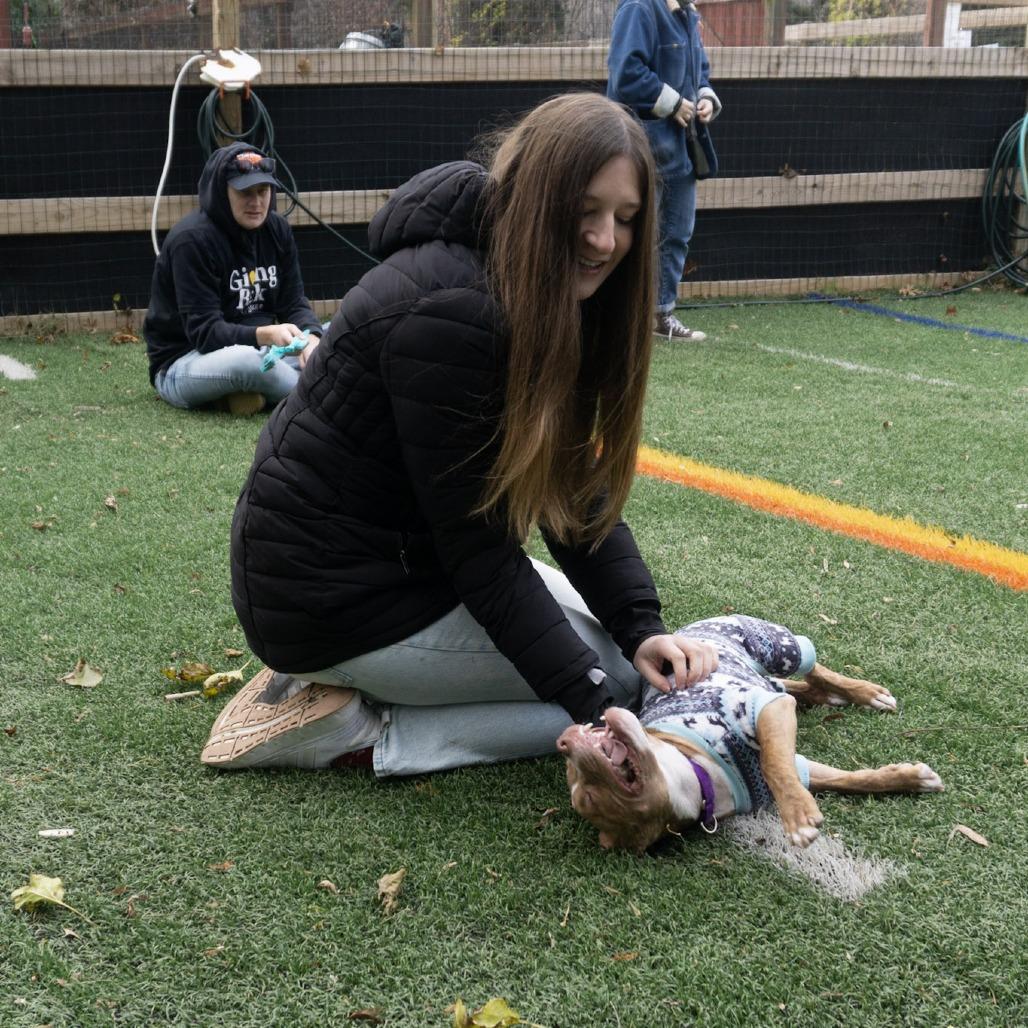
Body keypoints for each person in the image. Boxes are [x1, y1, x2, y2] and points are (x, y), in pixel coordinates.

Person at [201, 93, 718, 777]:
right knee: (618, 686)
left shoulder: (536, 285)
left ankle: (349, 689)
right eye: (585, 211)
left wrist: (640, 624)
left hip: (403, 566)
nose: (604, 240)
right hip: (326, 598)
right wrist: (591, 702)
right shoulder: (457, 313)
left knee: (630, 662)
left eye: (624, 219)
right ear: (537, 195)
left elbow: (567, 484)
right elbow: (478, 549)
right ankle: (362, 734)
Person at [143, 144, 323, 415]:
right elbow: (205, 333)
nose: (257, 202)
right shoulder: (191, 241)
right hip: (185, 361)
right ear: (221, 192)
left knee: (342, 332)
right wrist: (265, 335)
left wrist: (312, 338)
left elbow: (294, 302)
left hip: (265, 354)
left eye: (263, 191)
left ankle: (249, 392)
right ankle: (325, 393)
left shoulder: (278, 230)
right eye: (244, 192)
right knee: (245, 363)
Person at [607, 0, 721, 342]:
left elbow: (699, 69)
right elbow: (625, 73)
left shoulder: (687, 14)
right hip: (638, 150)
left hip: (681, 149)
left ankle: (660, 315)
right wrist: (672, 102)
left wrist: (705, 97)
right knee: (629, 236)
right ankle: (614, 318)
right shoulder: (639, 9)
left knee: (676, 234)